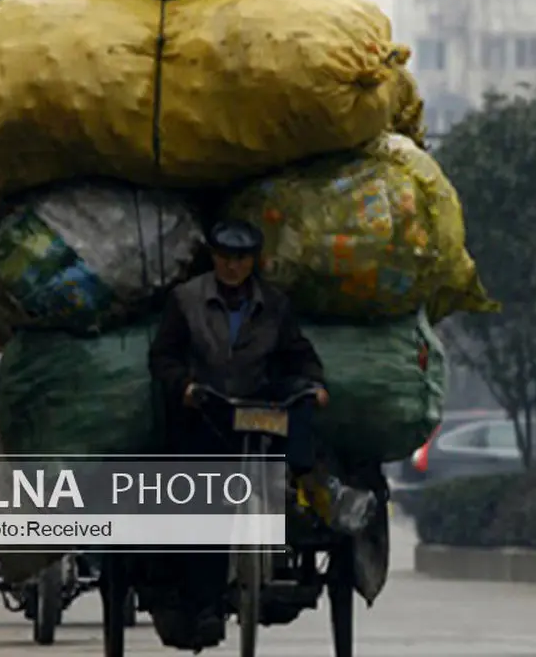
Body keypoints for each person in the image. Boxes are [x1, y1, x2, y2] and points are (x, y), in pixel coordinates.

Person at [147, 219, 375, 650]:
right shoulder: (186, 300)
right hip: (207, 412)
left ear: (253, 261)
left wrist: (315, 383)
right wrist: (185, 387)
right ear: (213, 258)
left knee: (301, 398)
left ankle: (309, 482)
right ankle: (206, 608)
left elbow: (298, 355)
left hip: (259, 407)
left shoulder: (275, 304)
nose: (232, 267)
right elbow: (164, 357)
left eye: (241, 259)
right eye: (225, 258)